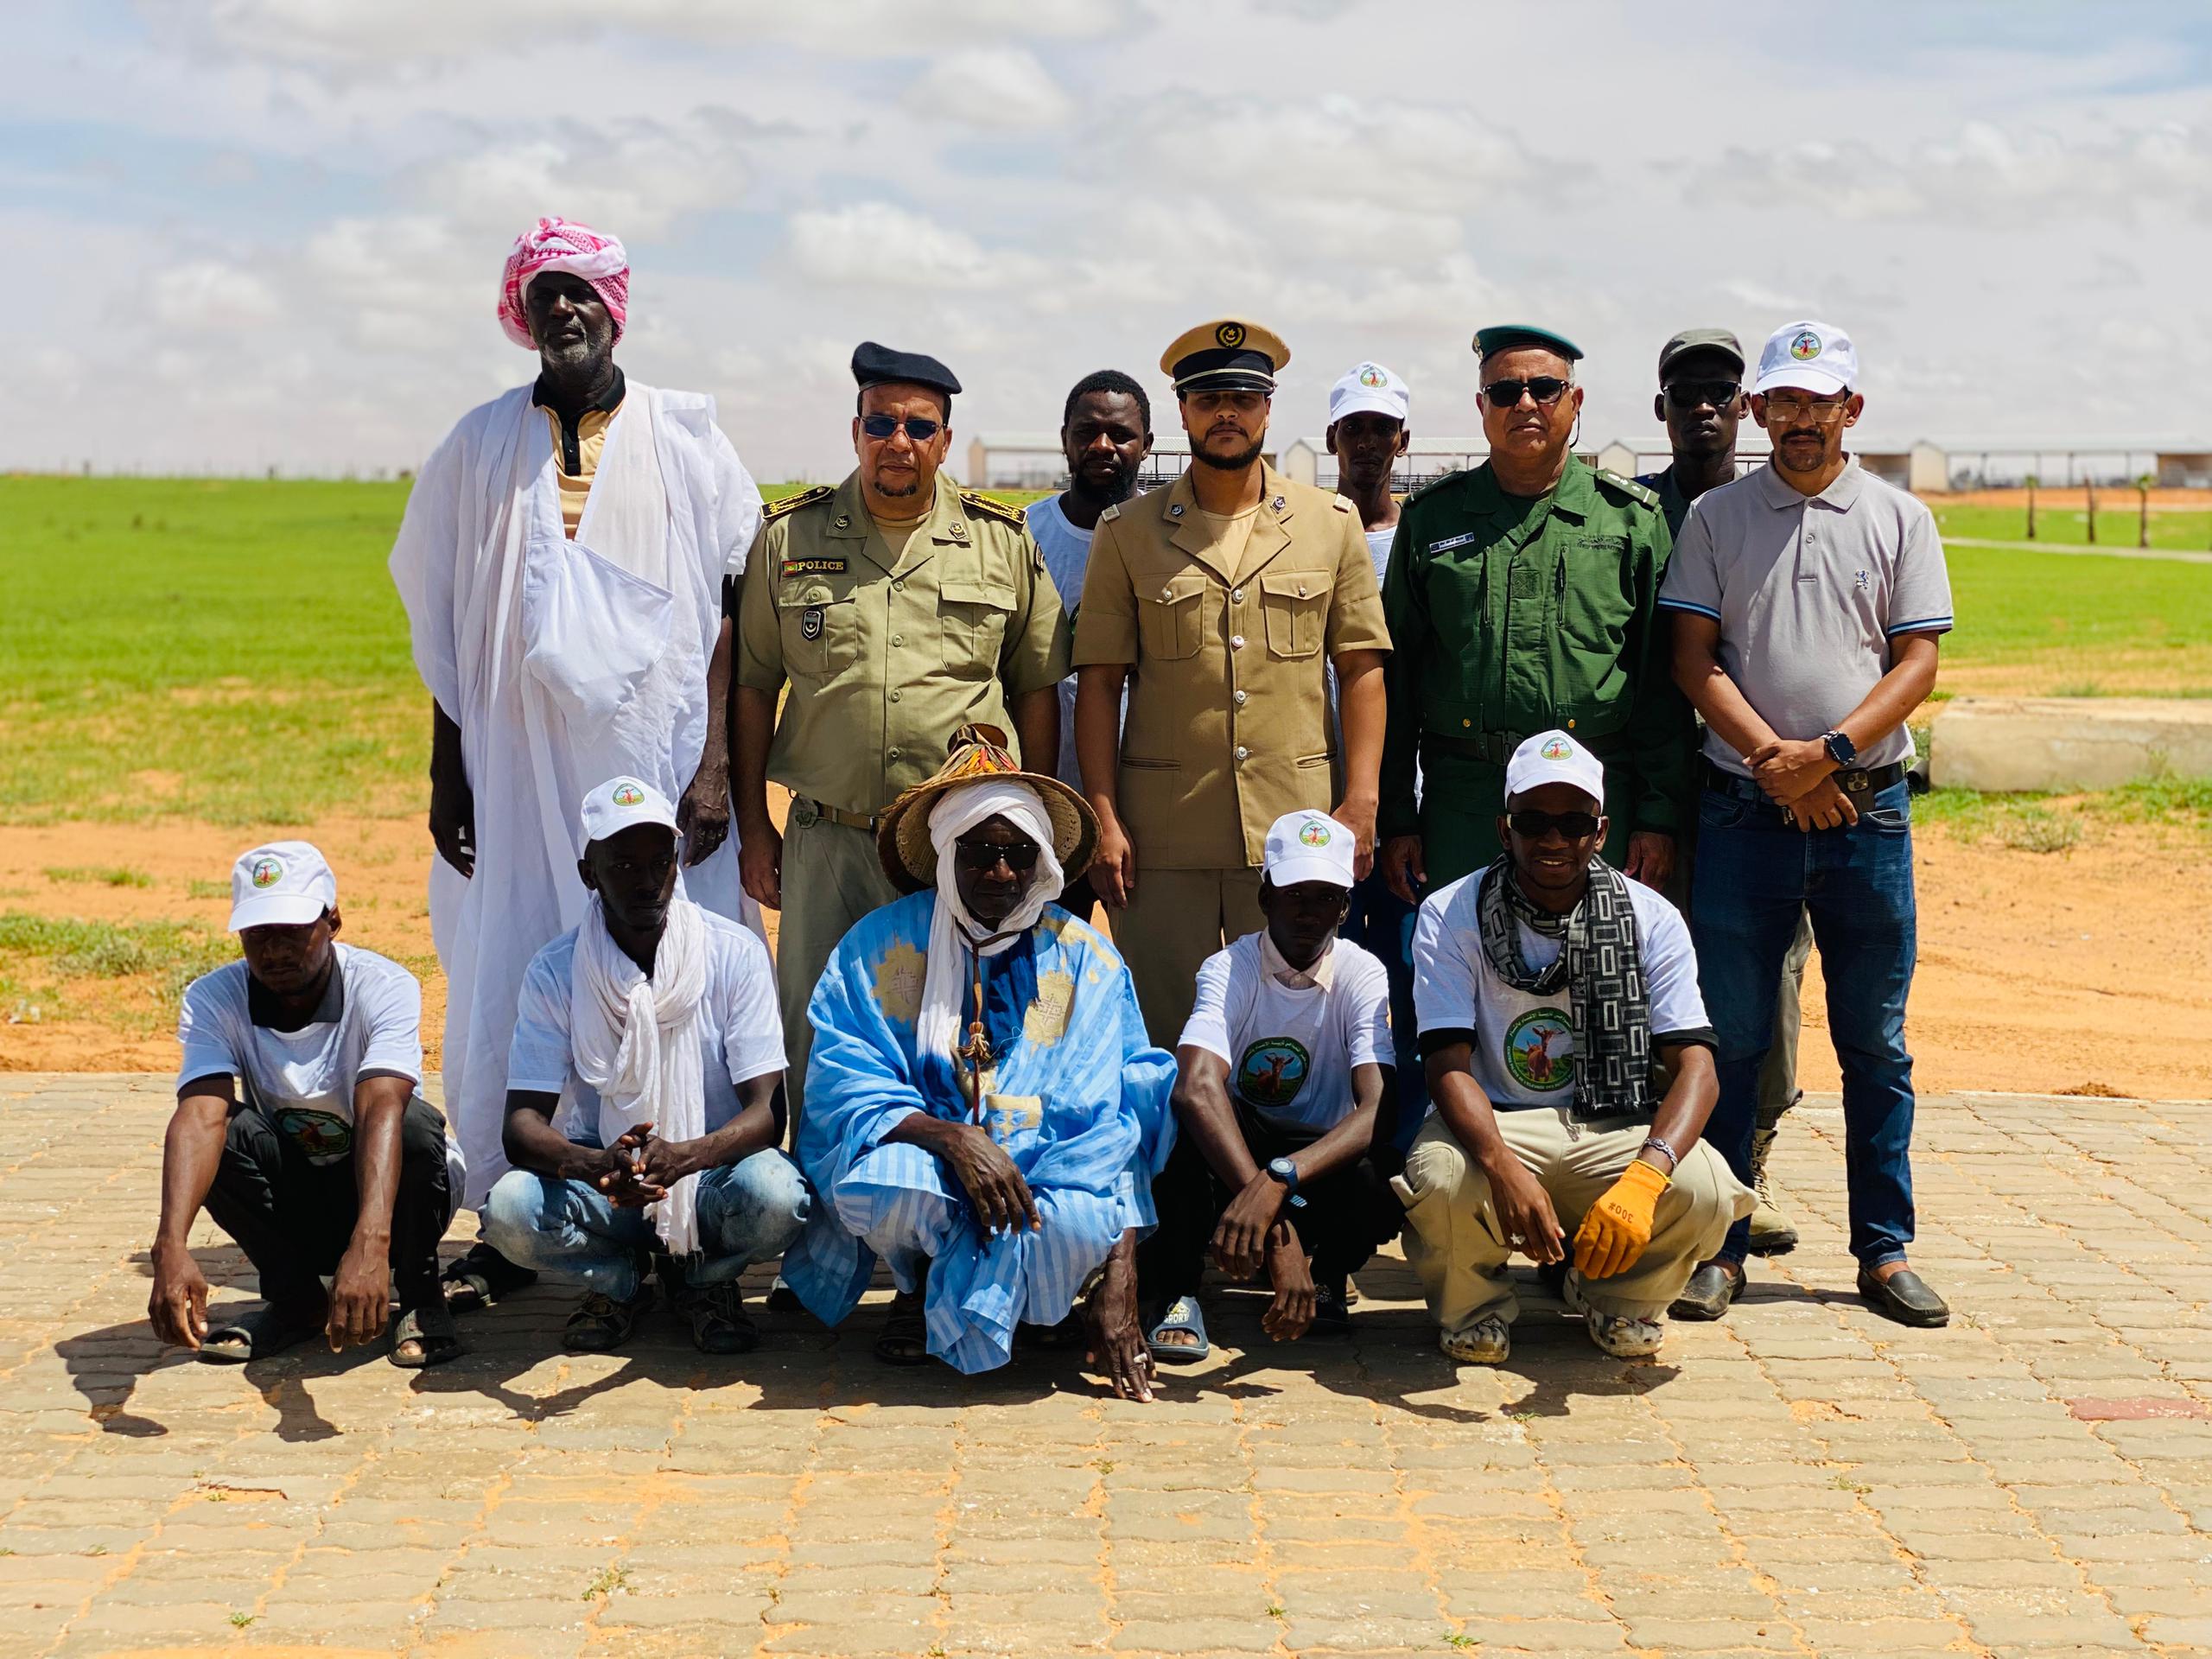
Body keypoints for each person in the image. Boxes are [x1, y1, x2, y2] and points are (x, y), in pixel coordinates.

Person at [388, 217, 766, 1312]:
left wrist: (710, 769)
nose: (563, 308)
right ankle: (521, 1218)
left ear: (614, 309)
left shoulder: (686, 437)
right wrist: (447, 770)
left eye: (581, 291)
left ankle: (695, 1213)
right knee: (513, 951)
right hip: (510, 758)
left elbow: (737, 604)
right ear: (521, 313)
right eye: (543, 292)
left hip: (658, 754)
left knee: (677, 962)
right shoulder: (476, 445)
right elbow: (444, 623)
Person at [1659, 320, 1955, 1327]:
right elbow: (1693, 659)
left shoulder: (1899, 518)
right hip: (1745, 812)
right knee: (1732, 1039)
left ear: (1849, 410)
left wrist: (1825, 756)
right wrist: (1776, 769)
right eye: (1781, 400)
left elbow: (1916, 662)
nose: (1798, 419)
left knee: (1873, 1043)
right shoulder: (1717, 518)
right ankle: (1719, 1245)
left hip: (1863, 816)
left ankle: (1883, 1249)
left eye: (1817, 401)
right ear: (1757, 410)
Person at [780, 727, 1176, 1398]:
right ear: (946, 853)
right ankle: (917, 1289)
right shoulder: (880, 943)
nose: (1001, 874)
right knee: (884, 1185)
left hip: (1048, 1172)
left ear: (1042, 859)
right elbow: (842, 1081)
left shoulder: (1085, 958)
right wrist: (955, 1139)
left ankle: (1033, 1303)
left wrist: (1122, 1274)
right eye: (980, 853)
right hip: (930, 1162)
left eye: (1020, 854)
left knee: (1082, 1220)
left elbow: (1123, 1116)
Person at [733, 342, 1069, 1128]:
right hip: (828, 842)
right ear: (856, 431)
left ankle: (947, 1186)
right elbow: (753, 687)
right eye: (881, 422)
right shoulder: (789, 538)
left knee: (957, 1031)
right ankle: (822, 1193)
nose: (898, 441)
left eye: (919, 427)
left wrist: (1031, 819)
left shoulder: (1001, 540)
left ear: (945, 442)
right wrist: (755, 828)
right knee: (816, 1031)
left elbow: (1037, 688)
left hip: (958, 844)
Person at [1073, 318, 1391, 1049]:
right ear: (1182, 411)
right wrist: (1104, 818)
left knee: (1291, 1034)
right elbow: (1100, 683)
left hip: (1296, 825)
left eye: (1243, 398)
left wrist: (1362, 800)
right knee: (1164, 1033)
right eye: (1208, 398)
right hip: (1162, 836)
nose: (1226, 413)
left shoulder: (1330, 523)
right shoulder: (1128, 532)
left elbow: (1361, 667)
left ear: (1268, 409)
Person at [1396, 733, 1751, 1363]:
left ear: (1601, 831)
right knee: (1443, 1177)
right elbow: (1446, 1064)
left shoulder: (1652, 917)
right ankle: (1474, 1309)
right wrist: (1503, 1168)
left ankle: (1618, 1296)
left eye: (1575, 823)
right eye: (1534, 821)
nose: (1554, 839)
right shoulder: (1451, 912)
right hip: (1498, 1122)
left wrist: (1646, 1176)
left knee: (1705, 1188)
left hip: (1610, 1123)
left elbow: (1697, 1068)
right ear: (1505, 829)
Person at [480, 778, 808, 1353]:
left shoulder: (733, 953)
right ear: (589, 874)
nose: (648, 882)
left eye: (660, 862)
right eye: (625, 866)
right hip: (607, 1183)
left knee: (779, 1197)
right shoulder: (556, 971)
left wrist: (686, 1157)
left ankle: (701, 1278)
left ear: (677, 864)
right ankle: (619, 1281)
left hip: (708, 1175)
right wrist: (594, 1165)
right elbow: (521, 1125)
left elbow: (767, 1114)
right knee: (508, 1212)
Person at [1377, 324, 1694, 918]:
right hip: (1467, 800)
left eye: (1545, 389)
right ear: (1481, 407)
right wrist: (1396, 817)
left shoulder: (1629, 521)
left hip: (1592, 802)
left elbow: (1662, 681)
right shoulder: (1432, 519)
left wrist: (1657, 815)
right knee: (1464, 962)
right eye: (1504, 392)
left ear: (1575, 401)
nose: (1525, 403)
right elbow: (1397, 679)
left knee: (1593, 963)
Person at [149, 843, 466, 1368]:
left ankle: (419, 1296)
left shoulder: (384, 986)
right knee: (219, 1130)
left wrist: (370, 1243)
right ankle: (297, 1303)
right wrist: (170, 1245)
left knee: (412, 1122)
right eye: (257, 934)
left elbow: (380, 1106)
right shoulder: (213, 998)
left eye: (292, 931)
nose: (274, 951)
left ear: (332, 921)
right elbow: (200, 1115)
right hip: (304, 1194)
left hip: (394, 1197)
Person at [1638, 327, 1809, 1259]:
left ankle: (1752, 1162)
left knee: (1768, 979)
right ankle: (1647, 1156)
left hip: (1762, 785)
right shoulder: (1632, 517)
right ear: (1660, 409)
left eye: (1719, 393)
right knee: (1644, 972)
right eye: (1685, 394)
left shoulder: (1775, 509)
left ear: (1744, 407)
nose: (1703, 408)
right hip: (1661, 786)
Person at [1138, 809, 1404, 1361]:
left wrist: (1280, 1182)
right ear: (1265, 898)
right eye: (1294, 894)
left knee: (1380, 1177)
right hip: (1237, 1157)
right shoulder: (1227, 967)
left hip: (1313, 1165)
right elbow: (1196, 1086)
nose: (1309, 912)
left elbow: (1376, 1107)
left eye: (1326, 897)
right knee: (1174, 1129)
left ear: (1345, 907)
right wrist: (1275, 1224)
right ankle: (1177, 1288)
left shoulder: (1363, 972)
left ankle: (1325, 1274)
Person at [1325, 360, 1427, 1144]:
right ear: (1332, 438)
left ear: (1402, 439)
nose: (1368, 443)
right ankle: (1331, 1134)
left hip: (1406, 801)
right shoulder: (1305, 532)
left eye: (1381, 428)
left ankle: (1403, 1140)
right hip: (1317, 793)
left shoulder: (1421, 539)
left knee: (1409, 975)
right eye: (1354, 428)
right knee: (1325, 974)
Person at [1027, 371, 1153, 915]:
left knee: (1148, 959)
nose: (1102, 446)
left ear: (1146, 445)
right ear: (1065, 439)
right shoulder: (1022, 535)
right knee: (1045, 956)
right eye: (1086, 432)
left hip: (1148, 802)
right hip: (1047, 802)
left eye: (1120, 434)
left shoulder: (1169, 536)